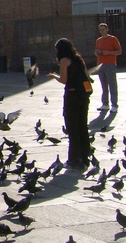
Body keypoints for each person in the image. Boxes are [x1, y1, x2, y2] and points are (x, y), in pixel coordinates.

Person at [48, 38, 92, 169]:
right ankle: (85, 156)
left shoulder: (64, 61)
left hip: (72, 96)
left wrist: (54, 76)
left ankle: (74, 158)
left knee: (72, 128)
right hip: (83, 96)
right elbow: (86, 76)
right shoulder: (79, 58)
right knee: (82, 126)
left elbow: (63, 80)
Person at [95, 23, 121, 113]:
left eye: (103, 29)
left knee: (112, 85)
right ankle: (105, 104)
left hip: (110, 64)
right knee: (103, 85)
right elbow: (96, 51)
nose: (102, 31)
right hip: (101, 65)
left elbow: (119, 51)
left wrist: (109, 52)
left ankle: (114, 105)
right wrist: (97, 52)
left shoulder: (113, 39)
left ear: (107, 29)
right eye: (100, 30)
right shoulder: (98, 40)